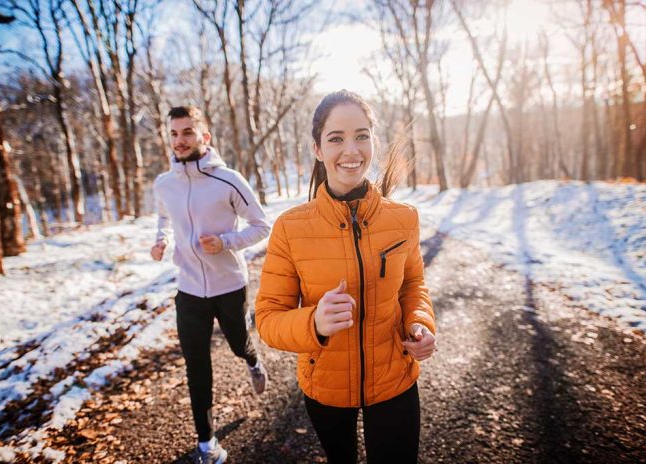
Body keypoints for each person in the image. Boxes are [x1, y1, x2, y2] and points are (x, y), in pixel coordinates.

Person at [255, 90, 437, 463]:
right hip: (326, 385)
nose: (351, 150)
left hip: (395, 380)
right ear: (318, 149)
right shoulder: (290, 228)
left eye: (361, 135)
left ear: (373, 139)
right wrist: (314, 323)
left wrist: (419, 322)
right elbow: (268, 318)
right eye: (336, 138)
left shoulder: (404, 218)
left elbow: (413, 285)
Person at [151, 105, 270, 464]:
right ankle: (207, 443)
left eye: (187, 132)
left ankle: (252, 360)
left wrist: (226, 241)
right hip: (188, 290)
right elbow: (162, 217)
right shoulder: (164, 183)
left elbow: (262, 225)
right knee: (196, 365)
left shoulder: (228, 179)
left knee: (237, 343)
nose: (179, 140)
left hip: (229, 285)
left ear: (205, 137)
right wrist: (160, 239)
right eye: (173, 133)